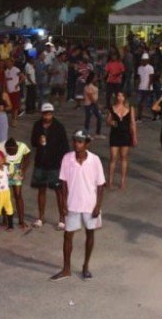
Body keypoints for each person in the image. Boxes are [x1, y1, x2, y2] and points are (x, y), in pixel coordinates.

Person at [50, 130, 106, 282]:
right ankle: (66, 269)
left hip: (90, 204)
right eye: (75, 141)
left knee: (90, 234)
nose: (76, 144)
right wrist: (63, 204)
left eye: (80, 141)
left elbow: (101, 185)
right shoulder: (67, 158)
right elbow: (63, 183)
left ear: (87, 144)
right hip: (72, 204)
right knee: (67, 235)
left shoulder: (95, 160)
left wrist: (97, 206)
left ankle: (85, 266)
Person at [30, 103, 69, 230]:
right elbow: (32, 142)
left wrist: (65, 165)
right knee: (41, 190)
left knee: (59, 192)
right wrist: (38, 141)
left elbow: (65, 147)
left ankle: (62, 219)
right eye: (46, 113)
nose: (48, 115)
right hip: (41, 163)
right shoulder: (37, 125)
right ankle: (41, 217)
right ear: (42, 114)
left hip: (55, 164)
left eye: (50, 113)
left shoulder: (59, 127)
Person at [0, 137, 31, 230]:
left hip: (17, 171)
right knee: (4, 196)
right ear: (6, 149)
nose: (12, 154)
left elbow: (28, 156)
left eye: (14, 152)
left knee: (18, 195)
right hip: (4, 172)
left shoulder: (22, 146)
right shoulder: (0, 147)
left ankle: (21, 221)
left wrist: (23, 170)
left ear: (16, 147)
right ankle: (4, 220)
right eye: (10, 152)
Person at [106, 90, 137, 189]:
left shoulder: (130, 108)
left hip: (126, 135)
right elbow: (108, 120)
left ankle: (122, 180)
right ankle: (110, 180)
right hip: (115, 134)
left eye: (122, 96)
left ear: (125, 98)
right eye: (118, 96)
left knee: (124, 157)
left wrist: (134, 136)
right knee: (113, 157)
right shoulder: (112, 108)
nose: (120, 98)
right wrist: (111, 123)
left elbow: (133, 123)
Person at [83, 71, 102, 136]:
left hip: (93, 104)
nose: (96, 78)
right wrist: (97, 104)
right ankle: (86, 133)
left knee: (99, 117)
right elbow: (91, 97)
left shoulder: (94, 85)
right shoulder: (89, 86)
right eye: (95, 77)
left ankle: (97, 133)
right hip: (89, 104)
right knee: (88, 119)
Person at [136, 53, 154, 120]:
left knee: (148, 103)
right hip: (141, 88)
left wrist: (149, 86)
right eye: (143, 60)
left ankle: (153, 115)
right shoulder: (139, 68)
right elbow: (139, 78)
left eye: (145, 60)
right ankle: (139, 117)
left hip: (148, 88)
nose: (144, 61)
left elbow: (151, 78)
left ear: (147, 60)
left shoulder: (150, 67)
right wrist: (138, 86)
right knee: (139, 103)